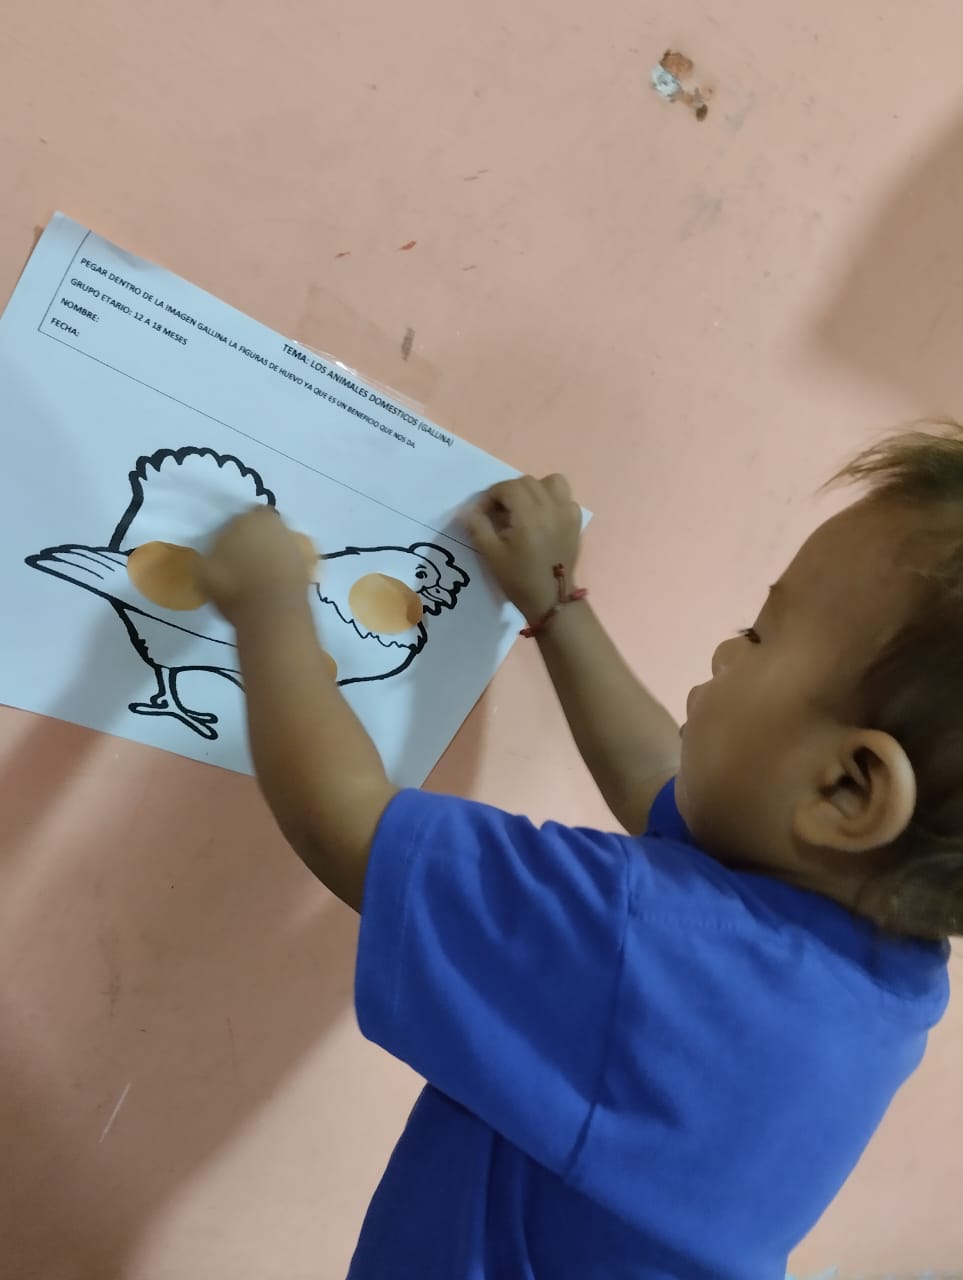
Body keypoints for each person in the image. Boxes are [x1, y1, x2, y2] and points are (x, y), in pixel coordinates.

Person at [199, 425, 960, 1279]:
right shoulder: (886, 961)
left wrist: (267, 602)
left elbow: (345, 825)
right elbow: (654, 780)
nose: (724, 648)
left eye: (758, 634)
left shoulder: (641, 946)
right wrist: (555, 604)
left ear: (849, 790)